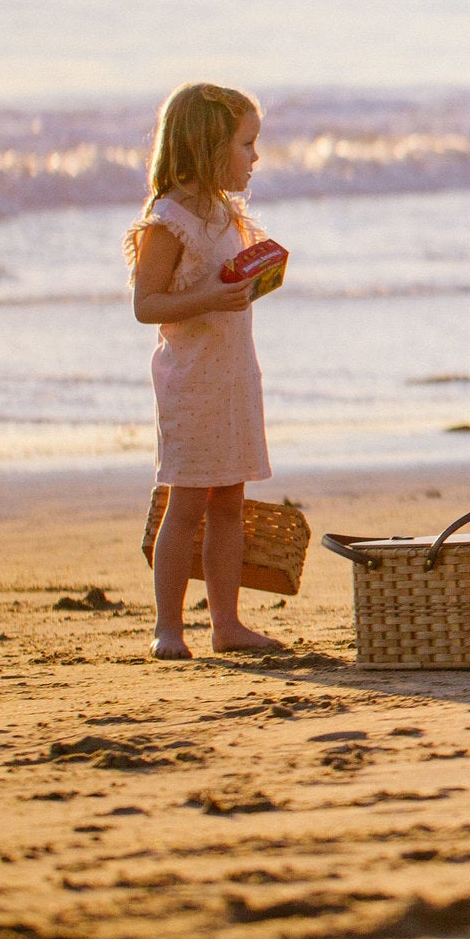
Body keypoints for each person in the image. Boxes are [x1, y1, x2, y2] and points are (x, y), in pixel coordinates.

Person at [127, 82, 280, 659]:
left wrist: (252, 277)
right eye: (246, 144)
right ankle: (168, 626)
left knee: (230, 503)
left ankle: (227, 624)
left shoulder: (223, 213)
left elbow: (224, 278)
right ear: (209, 145)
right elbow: (148, 305)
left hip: (234, 376)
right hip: (192, 382)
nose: (255, 158)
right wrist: (212, 298)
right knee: (186, 502)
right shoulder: (168, 221)